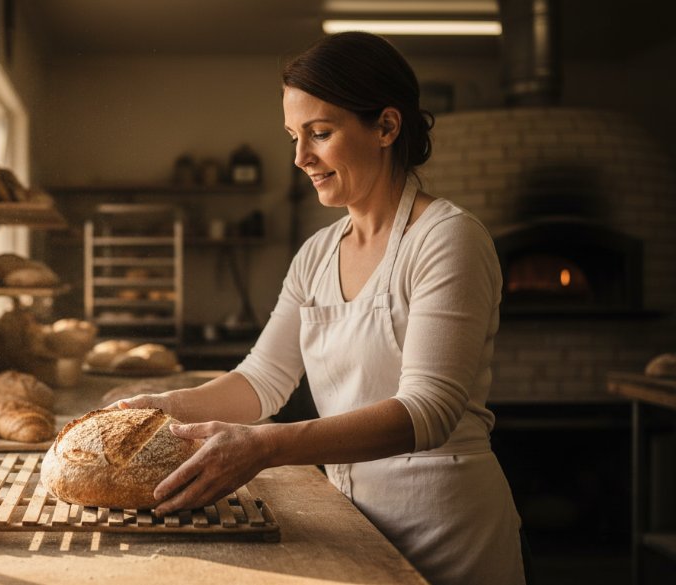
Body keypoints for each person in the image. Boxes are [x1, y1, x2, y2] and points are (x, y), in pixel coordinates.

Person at [115, 31, 527, 585]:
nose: (301, 158)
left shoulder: (447, 239)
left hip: (446, 531)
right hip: (351, 524)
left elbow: (428, 411)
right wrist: (164, 407)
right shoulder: (316, 254)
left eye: (320, 134)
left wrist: (266, 446)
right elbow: (262, 380)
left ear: (386, 126)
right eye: (294, 136)